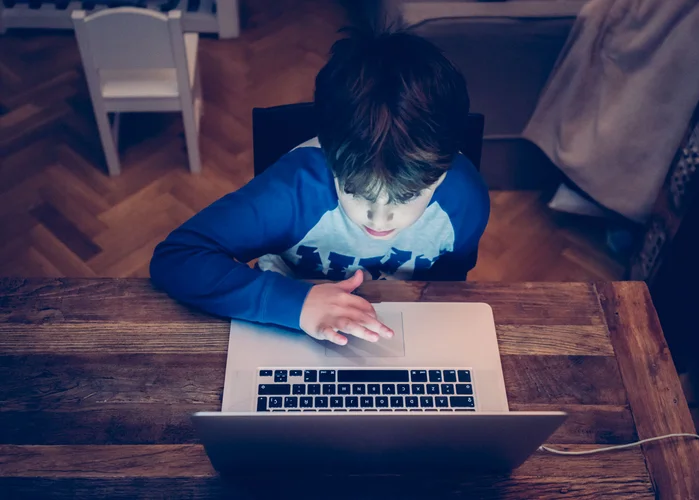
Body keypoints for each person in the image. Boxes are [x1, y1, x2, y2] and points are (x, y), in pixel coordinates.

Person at [150, 28, 490, 346]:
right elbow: (177, 257)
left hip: (403, 327)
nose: (380, 218)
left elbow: (448, 286)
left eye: (408, 196)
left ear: (442, 173)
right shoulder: (291, 192)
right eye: (357, 192)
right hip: (290, 324)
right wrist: (295, 304)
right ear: (329, 156)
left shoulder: (465, 200)